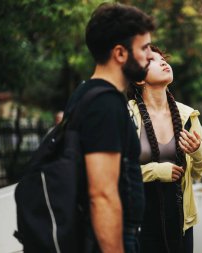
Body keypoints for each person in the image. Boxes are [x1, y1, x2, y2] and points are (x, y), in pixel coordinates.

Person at [79, 3, 154, 253]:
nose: (151, 55)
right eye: (144, 48)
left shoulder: (87, 93)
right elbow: (102, 194)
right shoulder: (105, 104)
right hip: (112, 238)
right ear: (120, 53)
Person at [128, 46, 202, 253]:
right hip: (139, 224)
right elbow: (115, 172)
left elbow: (199, 172)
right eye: (153, 60)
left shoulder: (188, 116)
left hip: (180, 224)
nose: (164, 62)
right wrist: (156, 171)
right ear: (139, 79)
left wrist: (197, 151)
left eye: (164, 59)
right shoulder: (126, 114)